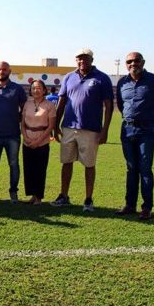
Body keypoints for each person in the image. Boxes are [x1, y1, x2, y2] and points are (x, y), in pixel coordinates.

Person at [51, 49, 114, 212]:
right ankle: (64, 196)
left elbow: (109, 105)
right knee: (66, 162)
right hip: (69, 127)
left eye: (85, 58)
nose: (82, 61)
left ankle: (88, 199)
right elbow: (61, 102)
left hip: (91, 129)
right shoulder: (69, 77)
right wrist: (55, 125)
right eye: (79, 59)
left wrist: (105, 130)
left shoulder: (102, 78)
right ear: (75, 60)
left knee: (89, 164)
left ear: (92, 59)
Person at [115, 52, 154, 220]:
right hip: (127, 130)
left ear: (143, 62)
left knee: (145, 169)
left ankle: (147, 207)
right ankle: (130, 205)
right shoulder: (122, 83)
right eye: (129, 61)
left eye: (136, 61)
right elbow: (120, 104)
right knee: (131, 169)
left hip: (147, 131)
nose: (133, 64)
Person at [0, 61, 27, 204]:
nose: (1, 72)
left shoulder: (17, 89)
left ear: (10, 71)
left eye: (4, 69)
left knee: (14, 164)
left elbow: (24, 109)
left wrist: (16, 119)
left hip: (13, 135)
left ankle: (13, 192)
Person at [21, 79, 56, 205]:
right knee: (29, 169)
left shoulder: (49, 105)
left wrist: (38, 141)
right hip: (27, 141)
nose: (36, 90)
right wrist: (26, 137)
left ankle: (39, 197)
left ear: (44, 90)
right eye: (33, 88)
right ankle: (32, 195)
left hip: (42, 142)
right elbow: (23, 123)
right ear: (30, 90)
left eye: (39, 88)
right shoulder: (27, 104)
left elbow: (51, 126)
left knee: (40, 170)